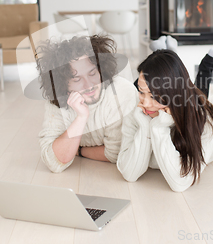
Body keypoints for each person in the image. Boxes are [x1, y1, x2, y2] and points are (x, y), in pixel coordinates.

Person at [117, 41, 213, 192]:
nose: (145, 103)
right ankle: (180, 55)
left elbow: (180, 183)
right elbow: (130, 174)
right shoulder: (138, 112)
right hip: (183, 101)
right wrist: (145, 125)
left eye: (154, 96)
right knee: (195, 92)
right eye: (141, 91)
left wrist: (159, 127)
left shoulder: (209, 124)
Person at [36, 35, 138, 173]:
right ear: (63, 84)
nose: (89, 85)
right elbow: (54, 162)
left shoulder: (121, 93)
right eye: (77, 79)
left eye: (92, 73)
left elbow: (116, 154)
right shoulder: (57, 100)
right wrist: (81, 117)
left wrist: (79, 151)